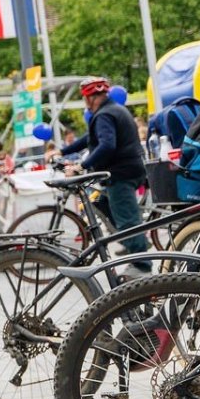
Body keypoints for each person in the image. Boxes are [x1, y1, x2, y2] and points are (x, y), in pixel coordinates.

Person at [61, 75, 150, 262]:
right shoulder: (114, 110)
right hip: (130, 169)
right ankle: (132, 242)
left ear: (89, 98)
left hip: (120, 173)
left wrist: (81, 166)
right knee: (102, 203)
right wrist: (63, 151)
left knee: (128, 220)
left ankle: (141, 264)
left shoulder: (104, 115)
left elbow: (107, 145)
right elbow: (89, 139)